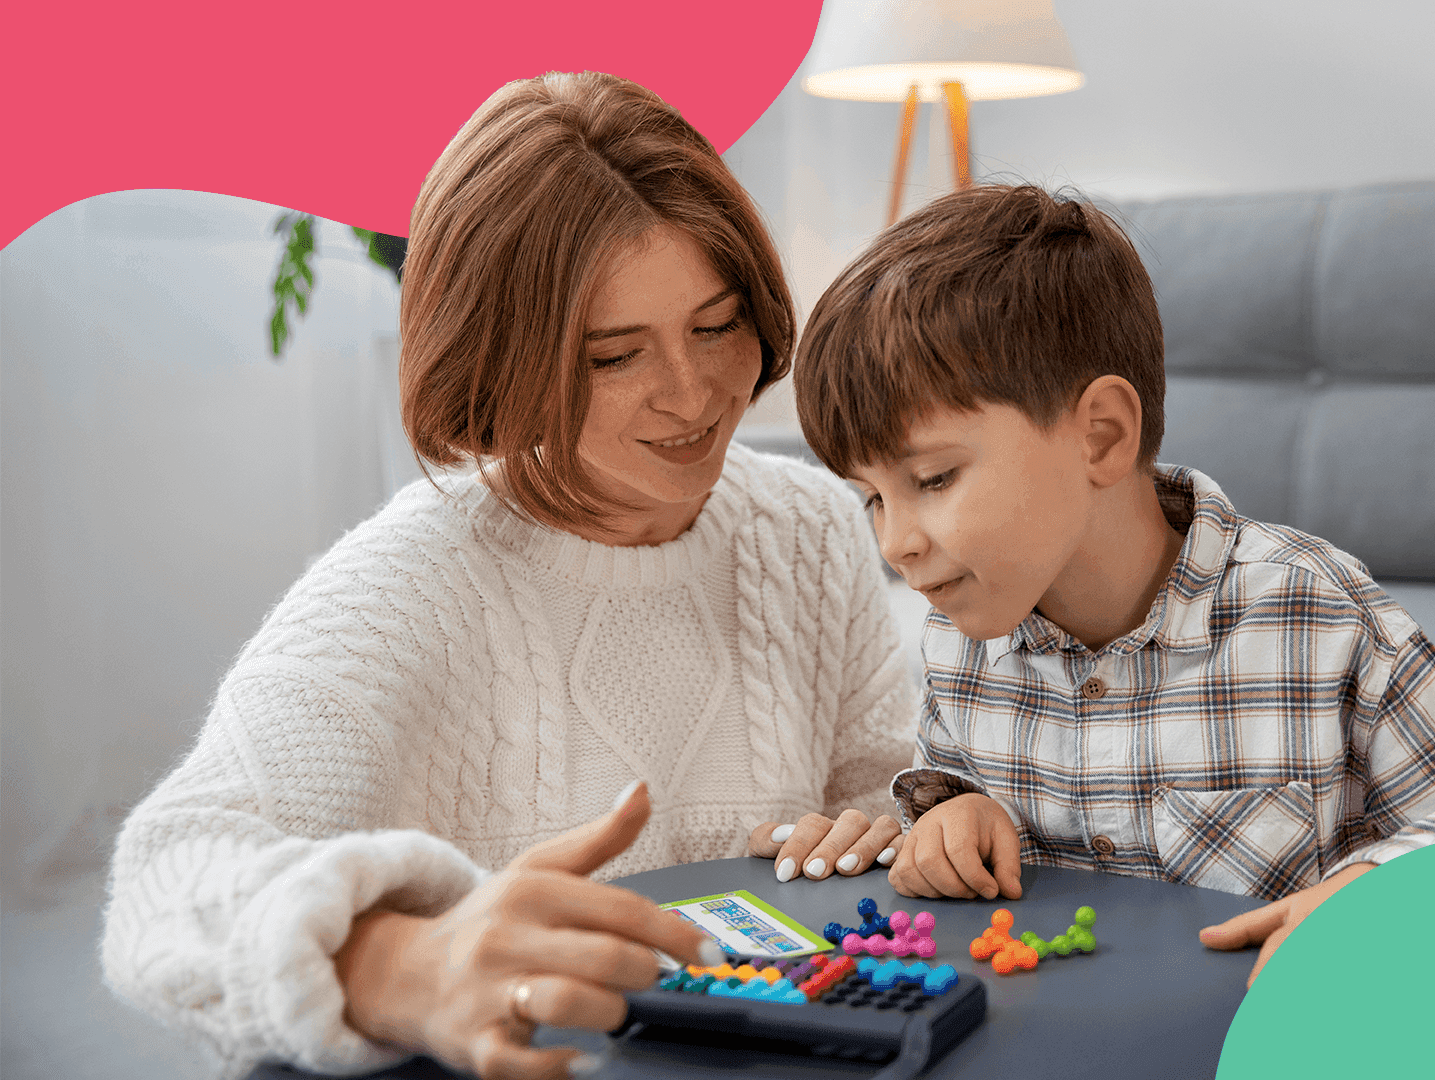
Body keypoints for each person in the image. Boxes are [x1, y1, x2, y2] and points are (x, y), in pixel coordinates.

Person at [101, 72, 915, 1080]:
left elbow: (883, 779)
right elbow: (165, 877)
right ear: (502, 368)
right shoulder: (406, 587)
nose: (694, 390)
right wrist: (398, 962)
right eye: (616, 355)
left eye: (715, 325)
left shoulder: (812, 528)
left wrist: (888, 819)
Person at [786, 184, 1435, 987]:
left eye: (932, 478)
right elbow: (961, 810)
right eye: (873, 498)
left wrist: (1371, 889)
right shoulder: (961, 640)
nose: (895, 544)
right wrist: (954, 819)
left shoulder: (1310, 612)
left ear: (1100, 436)